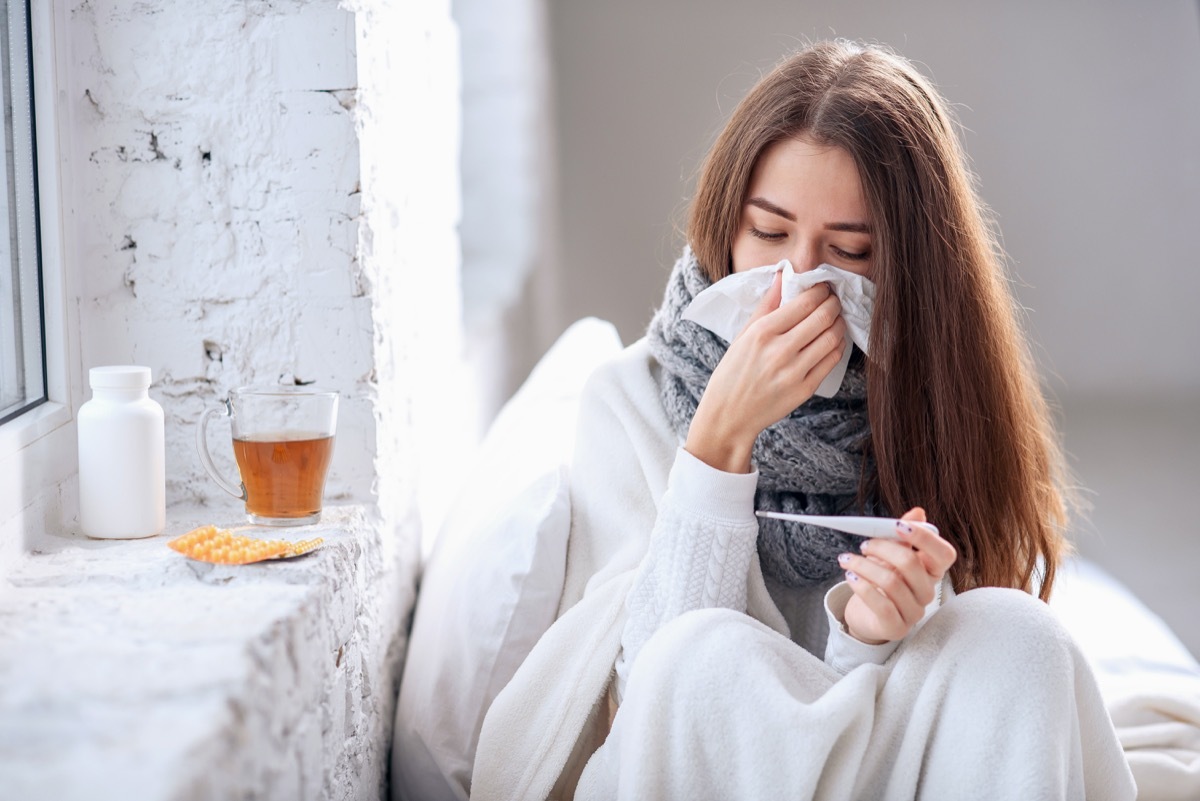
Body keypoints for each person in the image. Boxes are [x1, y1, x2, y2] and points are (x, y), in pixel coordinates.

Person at [471, 39, 1136, 800]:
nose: (798, 281)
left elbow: (937, 705)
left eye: (848, 251)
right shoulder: (627, 401)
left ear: (908, 272)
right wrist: (719, 440)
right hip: (700, 754)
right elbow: (652, 695)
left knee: (1019, 637)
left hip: (870, 759)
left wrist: (869, 631)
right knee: (707, 656)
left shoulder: (936, 408)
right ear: (727, 227)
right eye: (770, 233)